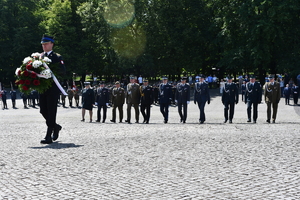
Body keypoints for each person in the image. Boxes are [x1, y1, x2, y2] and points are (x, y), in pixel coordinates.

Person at [39, 34, 66, 144]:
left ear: (52, 44)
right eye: (43, 44)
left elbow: (63, 71)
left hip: (53, 88)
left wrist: (50, 73)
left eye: (46, 44)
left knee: (51, 111)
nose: (44, 46)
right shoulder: (39, 57)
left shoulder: (57, 57)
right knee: (43, 110)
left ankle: (48, 135)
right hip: (42, 88)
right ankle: (56, 126)